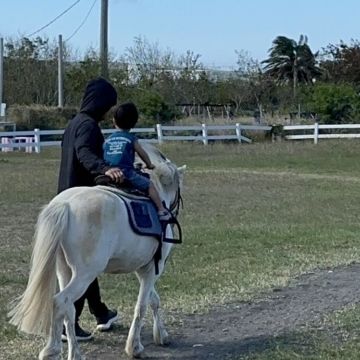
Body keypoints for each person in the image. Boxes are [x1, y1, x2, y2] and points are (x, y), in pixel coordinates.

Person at [58, 77, 123, 341]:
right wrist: (105, 170)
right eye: (107, 105)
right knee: (83, 266)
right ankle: (67, 326)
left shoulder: (73, 124)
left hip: (64, 195)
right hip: (82, 200)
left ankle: (101, 313)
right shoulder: (88, 126)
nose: (108, 111)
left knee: (85, 262)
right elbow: (85, 154)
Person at [103, 102, 172, 221]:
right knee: (149, 185)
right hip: (126, 173)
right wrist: (149, 164)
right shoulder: (131, 138)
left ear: (114, 121)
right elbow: (142, 153)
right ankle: (161, 210)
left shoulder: (108, 139)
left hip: (108, 172)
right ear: (134, 122)